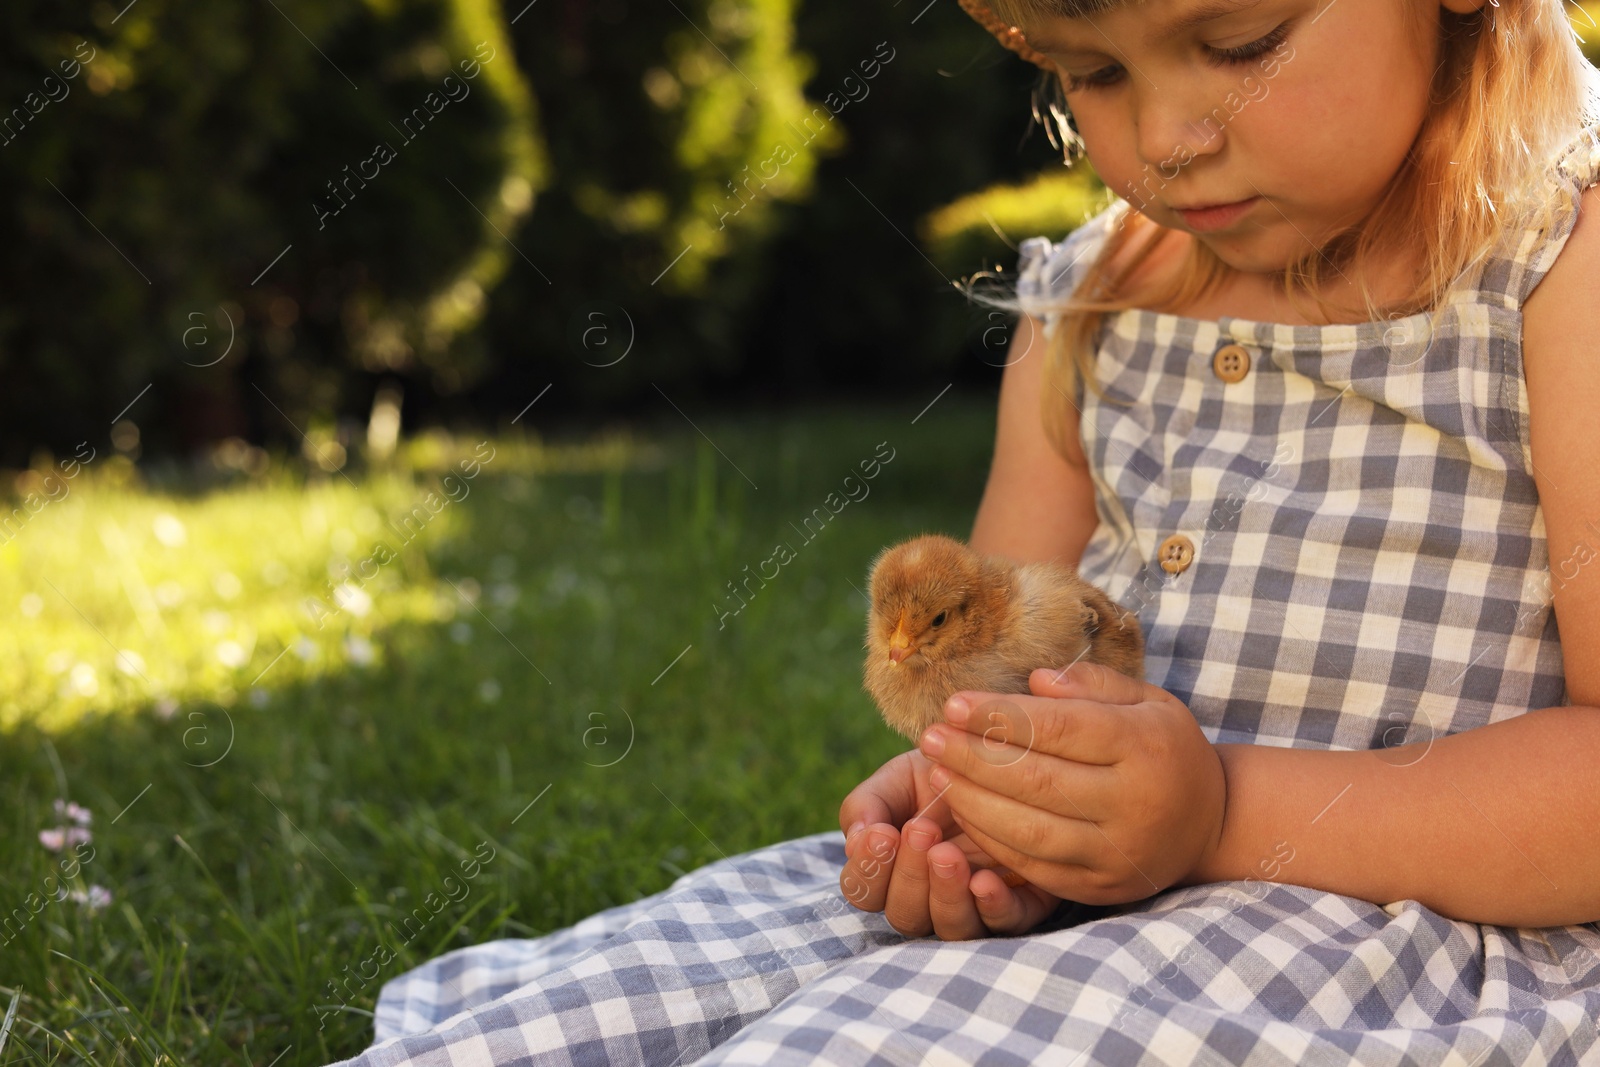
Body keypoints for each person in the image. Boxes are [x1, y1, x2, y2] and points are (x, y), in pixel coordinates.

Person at [327, 0, 1600, 1062]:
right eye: (1089, 71)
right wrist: (984, 801)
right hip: (1094, 921)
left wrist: (1211, 813)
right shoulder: (1095, 297)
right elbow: (998, 653)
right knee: (586, 1021)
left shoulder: (1562, 257)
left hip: (1400, 950)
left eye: (1243, 41)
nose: (1163, 139)